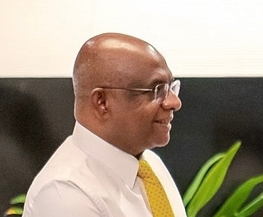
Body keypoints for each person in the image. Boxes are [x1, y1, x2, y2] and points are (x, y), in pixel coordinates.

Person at [23, 33, 187, 217]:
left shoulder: (149, 166)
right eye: (157, 90)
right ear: (102, 102)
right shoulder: (65, 194)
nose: (175, 102)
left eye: (171, 87)